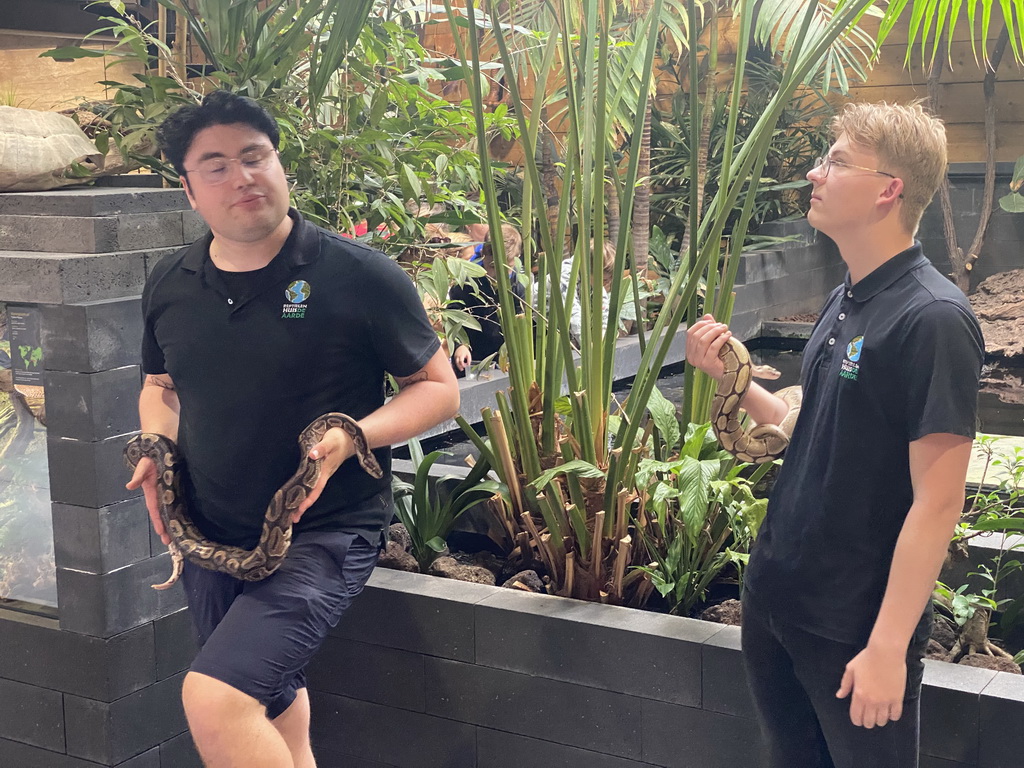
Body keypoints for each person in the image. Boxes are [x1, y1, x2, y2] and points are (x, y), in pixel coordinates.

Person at [125, 90, 459, 768]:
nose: (241, 176)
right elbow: (160, 389)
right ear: (189, 190)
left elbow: (438, 391)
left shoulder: (359, 276)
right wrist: (158, 447)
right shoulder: (170, 282)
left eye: (255, 157)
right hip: (212, 531)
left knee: (217, 697)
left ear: (280, 166)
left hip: (326, 532)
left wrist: (352, 438)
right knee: (269, 694)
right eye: (215, 165)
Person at [686, 102, 983, 768]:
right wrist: (733, 374)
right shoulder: (848, 295)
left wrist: (886, 647)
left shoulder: (933, 318)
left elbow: (938, 502)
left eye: (837, 161)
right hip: (776, 602)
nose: (816, 175)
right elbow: (811, 428)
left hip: (851, 625)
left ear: (888, 190)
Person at [449, 222, 524, 375]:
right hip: (472, 359)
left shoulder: (519, 284)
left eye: (505, 269)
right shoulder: (466, 282)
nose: (498, 275)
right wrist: (460, 345)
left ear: (516, 259)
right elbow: (453, 316)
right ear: (483, 253)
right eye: (492, 267)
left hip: (508, 360)